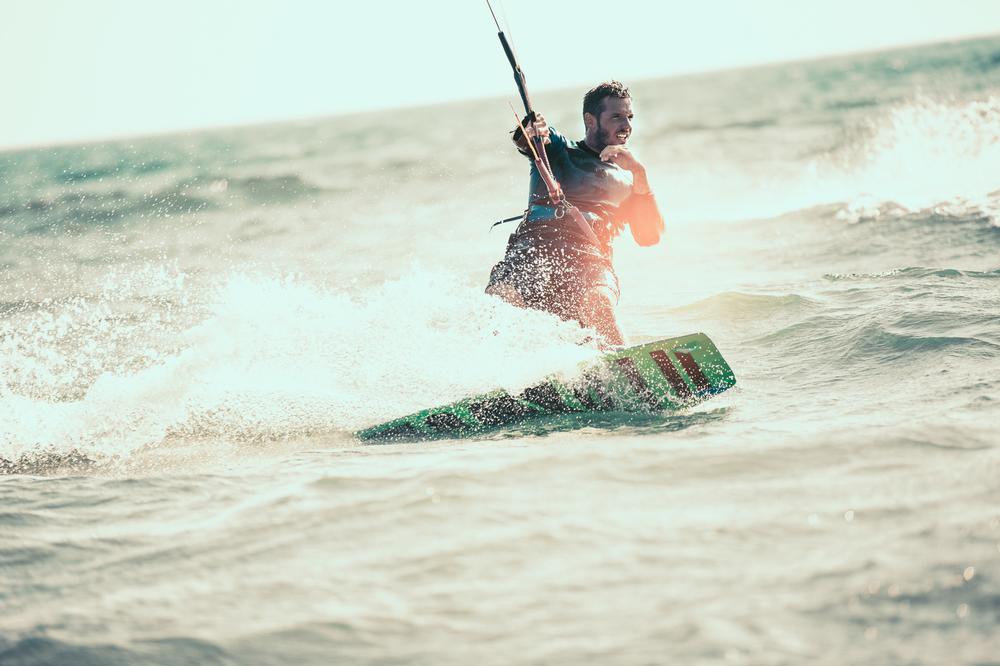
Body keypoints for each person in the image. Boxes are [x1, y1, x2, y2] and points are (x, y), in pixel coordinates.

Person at [485, 81, 664, 347]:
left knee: (598, 302)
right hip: (533, 251)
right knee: (502, 297)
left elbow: (649, 236)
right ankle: (497, 377)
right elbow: (529, 139)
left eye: (629, 117)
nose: (626, 125)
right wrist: (532, 129)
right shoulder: (559, 150)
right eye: (616, 117)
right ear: (590, 120)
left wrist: (640, 173)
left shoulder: (628, 182)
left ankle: (625, 364)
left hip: (587, 261)